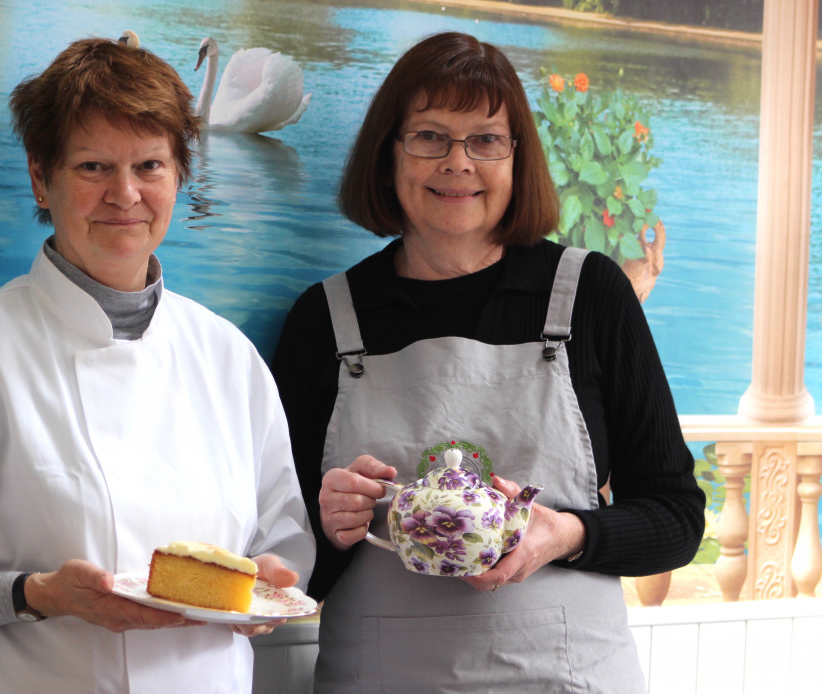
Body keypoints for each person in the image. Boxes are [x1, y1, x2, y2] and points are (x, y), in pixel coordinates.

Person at [0, 34, 314, 694]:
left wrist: (266, 585)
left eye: (150, 165)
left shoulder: (228, 361)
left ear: (180, 174)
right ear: (42, 176)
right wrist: (37, 595)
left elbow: (283, 542)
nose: (126, 194)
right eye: (94, 167)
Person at [271, 31, 704, 693]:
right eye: (429, 137)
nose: (458, 163)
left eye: (485, 139)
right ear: (388, 153)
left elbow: (676, 519)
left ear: (515, 158)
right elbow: (288, 574)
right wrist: (327, 530)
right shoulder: (324, 321)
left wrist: (565, 533)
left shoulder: (590, 296)